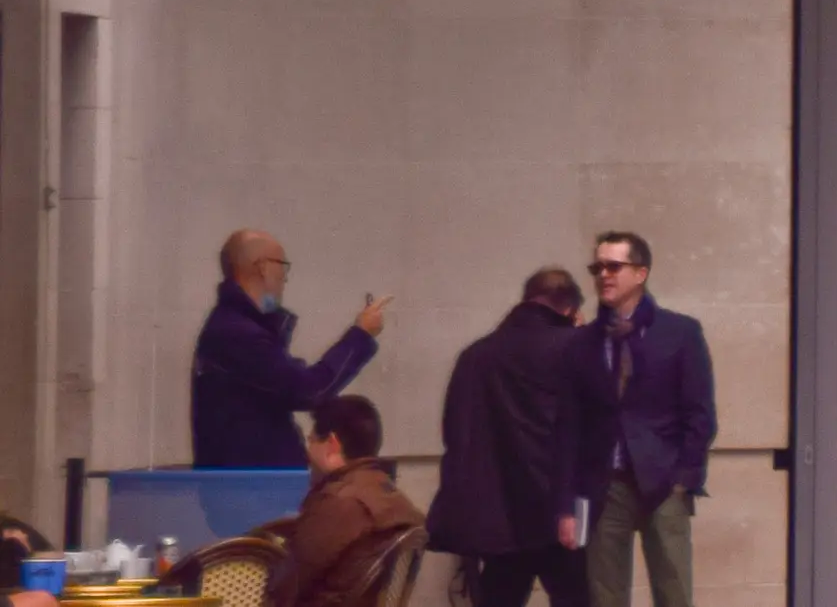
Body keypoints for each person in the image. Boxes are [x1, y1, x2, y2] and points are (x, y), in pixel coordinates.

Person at [563, 232, 714, 607]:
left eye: (614, 266)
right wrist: (568, 499)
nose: (603, 275)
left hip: (663, 482)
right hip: (603, 485)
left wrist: (684, 477)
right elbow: (569, 424)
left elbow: (699, 413)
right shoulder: (583, 342)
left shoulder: (680, 332)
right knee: (605, 594)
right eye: (597, 267)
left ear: (641, 273)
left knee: (673, 590)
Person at [430, 270, 591, 607]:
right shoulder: (574, 349)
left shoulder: (475, 356)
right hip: (559, 514)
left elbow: (456, 433)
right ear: (569, 308)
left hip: (496, 519)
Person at [193, 231, 389, 469]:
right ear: (263, 267)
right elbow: (308, 389)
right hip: (250, 492)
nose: (285, 279)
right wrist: (361, 335)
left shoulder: (236, 327)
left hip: (250, 487)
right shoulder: (238, 334)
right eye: (283, 267)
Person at [262, 394, 422, 607]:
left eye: (311, 441)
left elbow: (287, 587)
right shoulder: (392, 496)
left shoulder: (339, 503)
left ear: (332, 444)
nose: (308, 453)